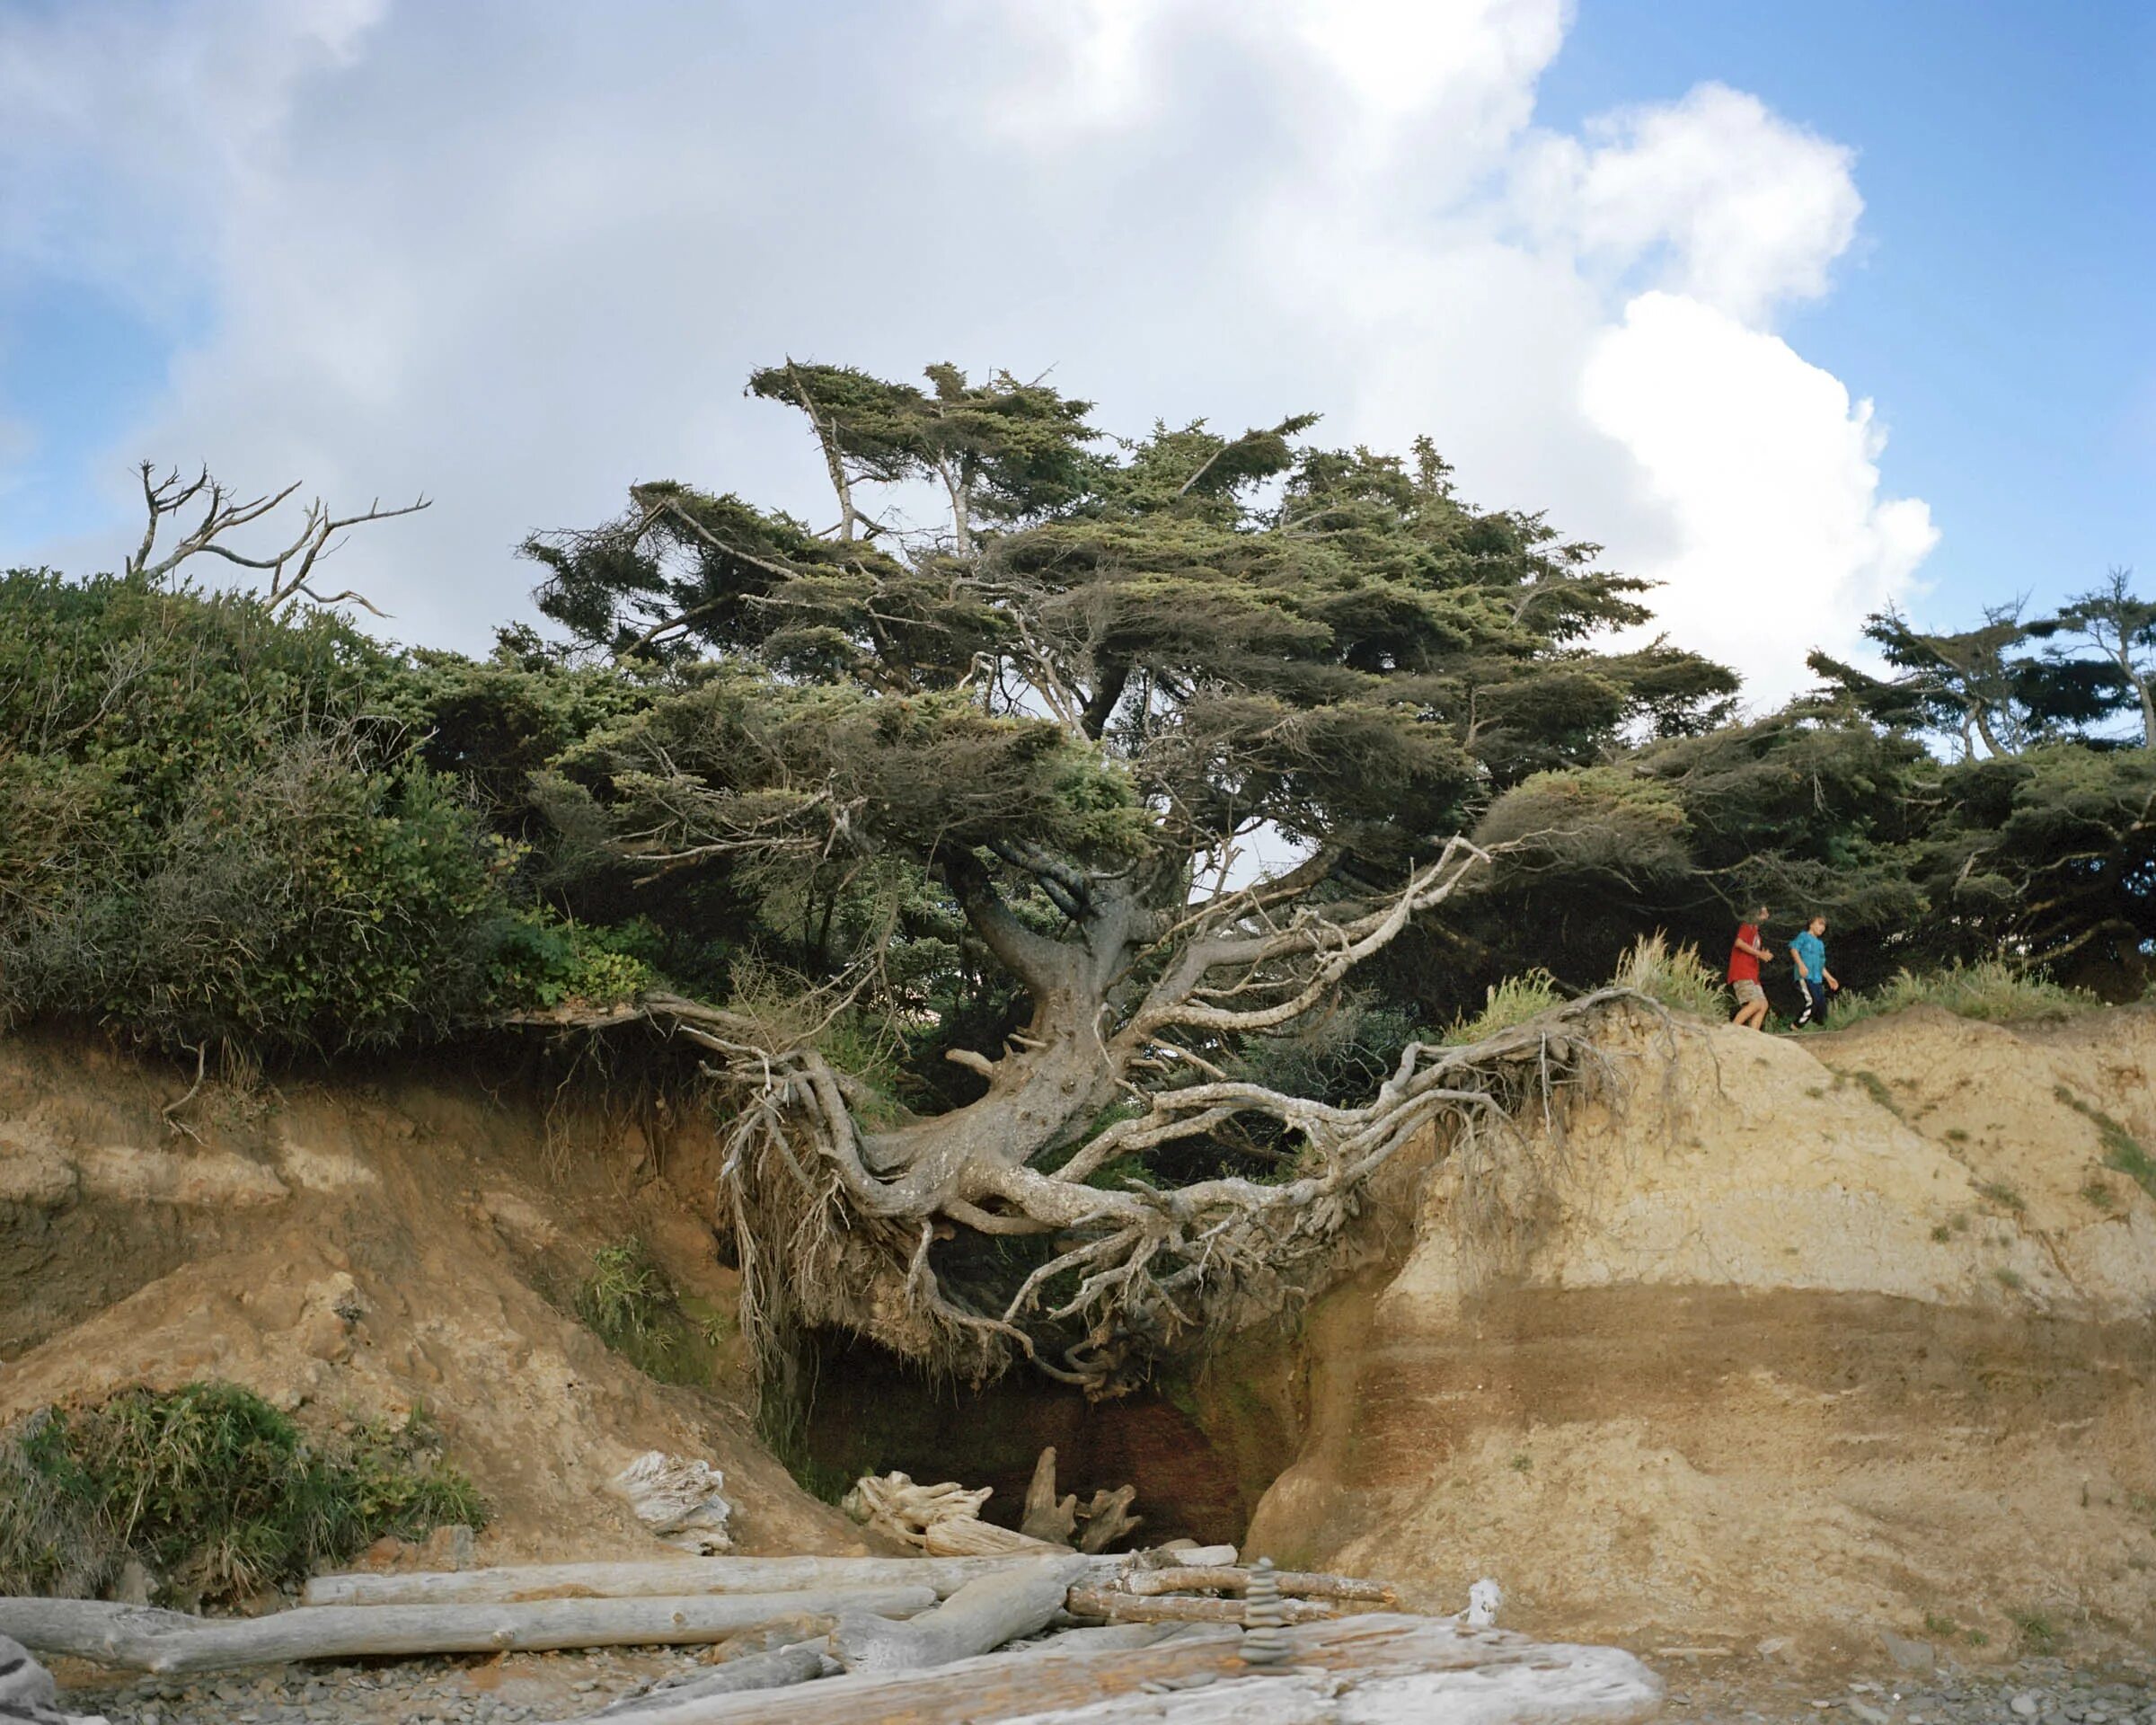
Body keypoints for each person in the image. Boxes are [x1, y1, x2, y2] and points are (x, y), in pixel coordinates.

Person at [1727, 905, 1774, 1030]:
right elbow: (1739, 943)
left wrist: (1763, 955)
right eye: (1764, 913)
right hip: (1742, 972)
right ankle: (1732, 1030)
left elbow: (1751, 950)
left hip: (1752, 974)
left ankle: (1753, 1036)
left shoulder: (1756, 932)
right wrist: (1760, 954)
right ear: (1756, 914)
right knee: (1755, 1003)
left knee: (1763, 1004)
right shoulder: (1747, 926)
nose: (1767, 916)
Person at [1789, 915, 1840, 1026]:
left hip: (1816, 978)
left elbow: (1821, 965)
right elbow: (1794, 949)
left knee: (1821, 1006)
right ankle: (1796, 1026)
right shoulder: (1804, 936)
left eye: (1824, 926)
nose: (1822, 928)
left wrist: (1830, 978)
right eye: (1820, 924)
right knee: (1812, 1001)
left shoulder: (1820, 944)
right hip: (1805, 976)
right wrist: (1801, 965)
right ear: (1811, 924)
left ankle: (1822, 1027)